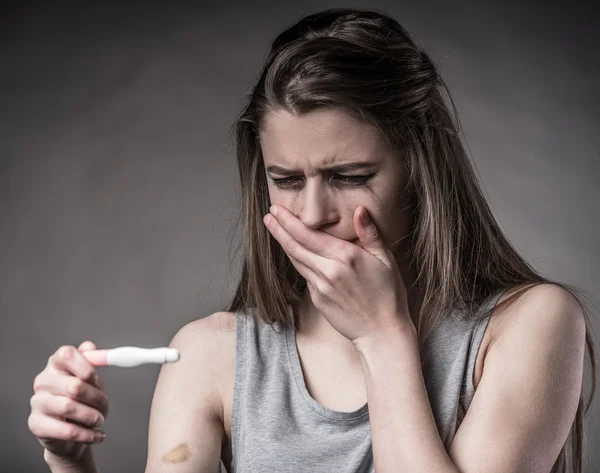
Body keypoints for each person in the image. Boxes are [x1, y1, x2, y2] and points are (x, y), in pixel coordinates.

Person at [28, 7, 597, 473]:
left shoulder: (531, 324)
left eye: (350, 177)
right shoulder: (213, 354)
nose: (314, 213)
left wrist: (381, 335)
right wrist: (70, 459)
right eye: (286, 181)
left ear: (422, 170)